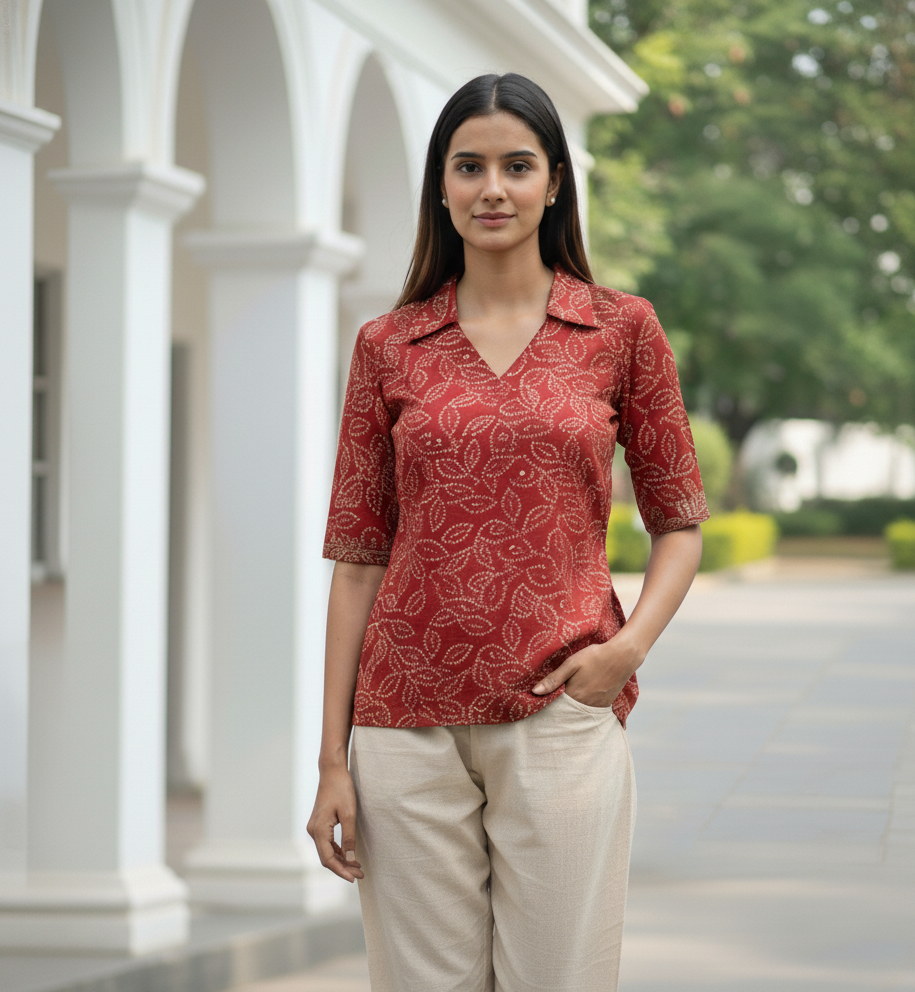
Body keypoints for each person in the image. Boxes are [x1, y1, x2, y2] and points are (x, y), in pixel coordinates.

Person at [307, 72, 709, 992]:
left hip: (559, 710)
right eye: (469, 167)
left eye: (517, 166)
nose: (493, 188)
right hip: (402, 722)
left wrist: (625, 652)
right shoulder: (388, 345)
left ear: (555, 182)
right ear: (441, 186)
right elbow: (358, 559)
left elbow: (678, 523)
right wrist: (332, 760)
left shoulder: (620, 330)